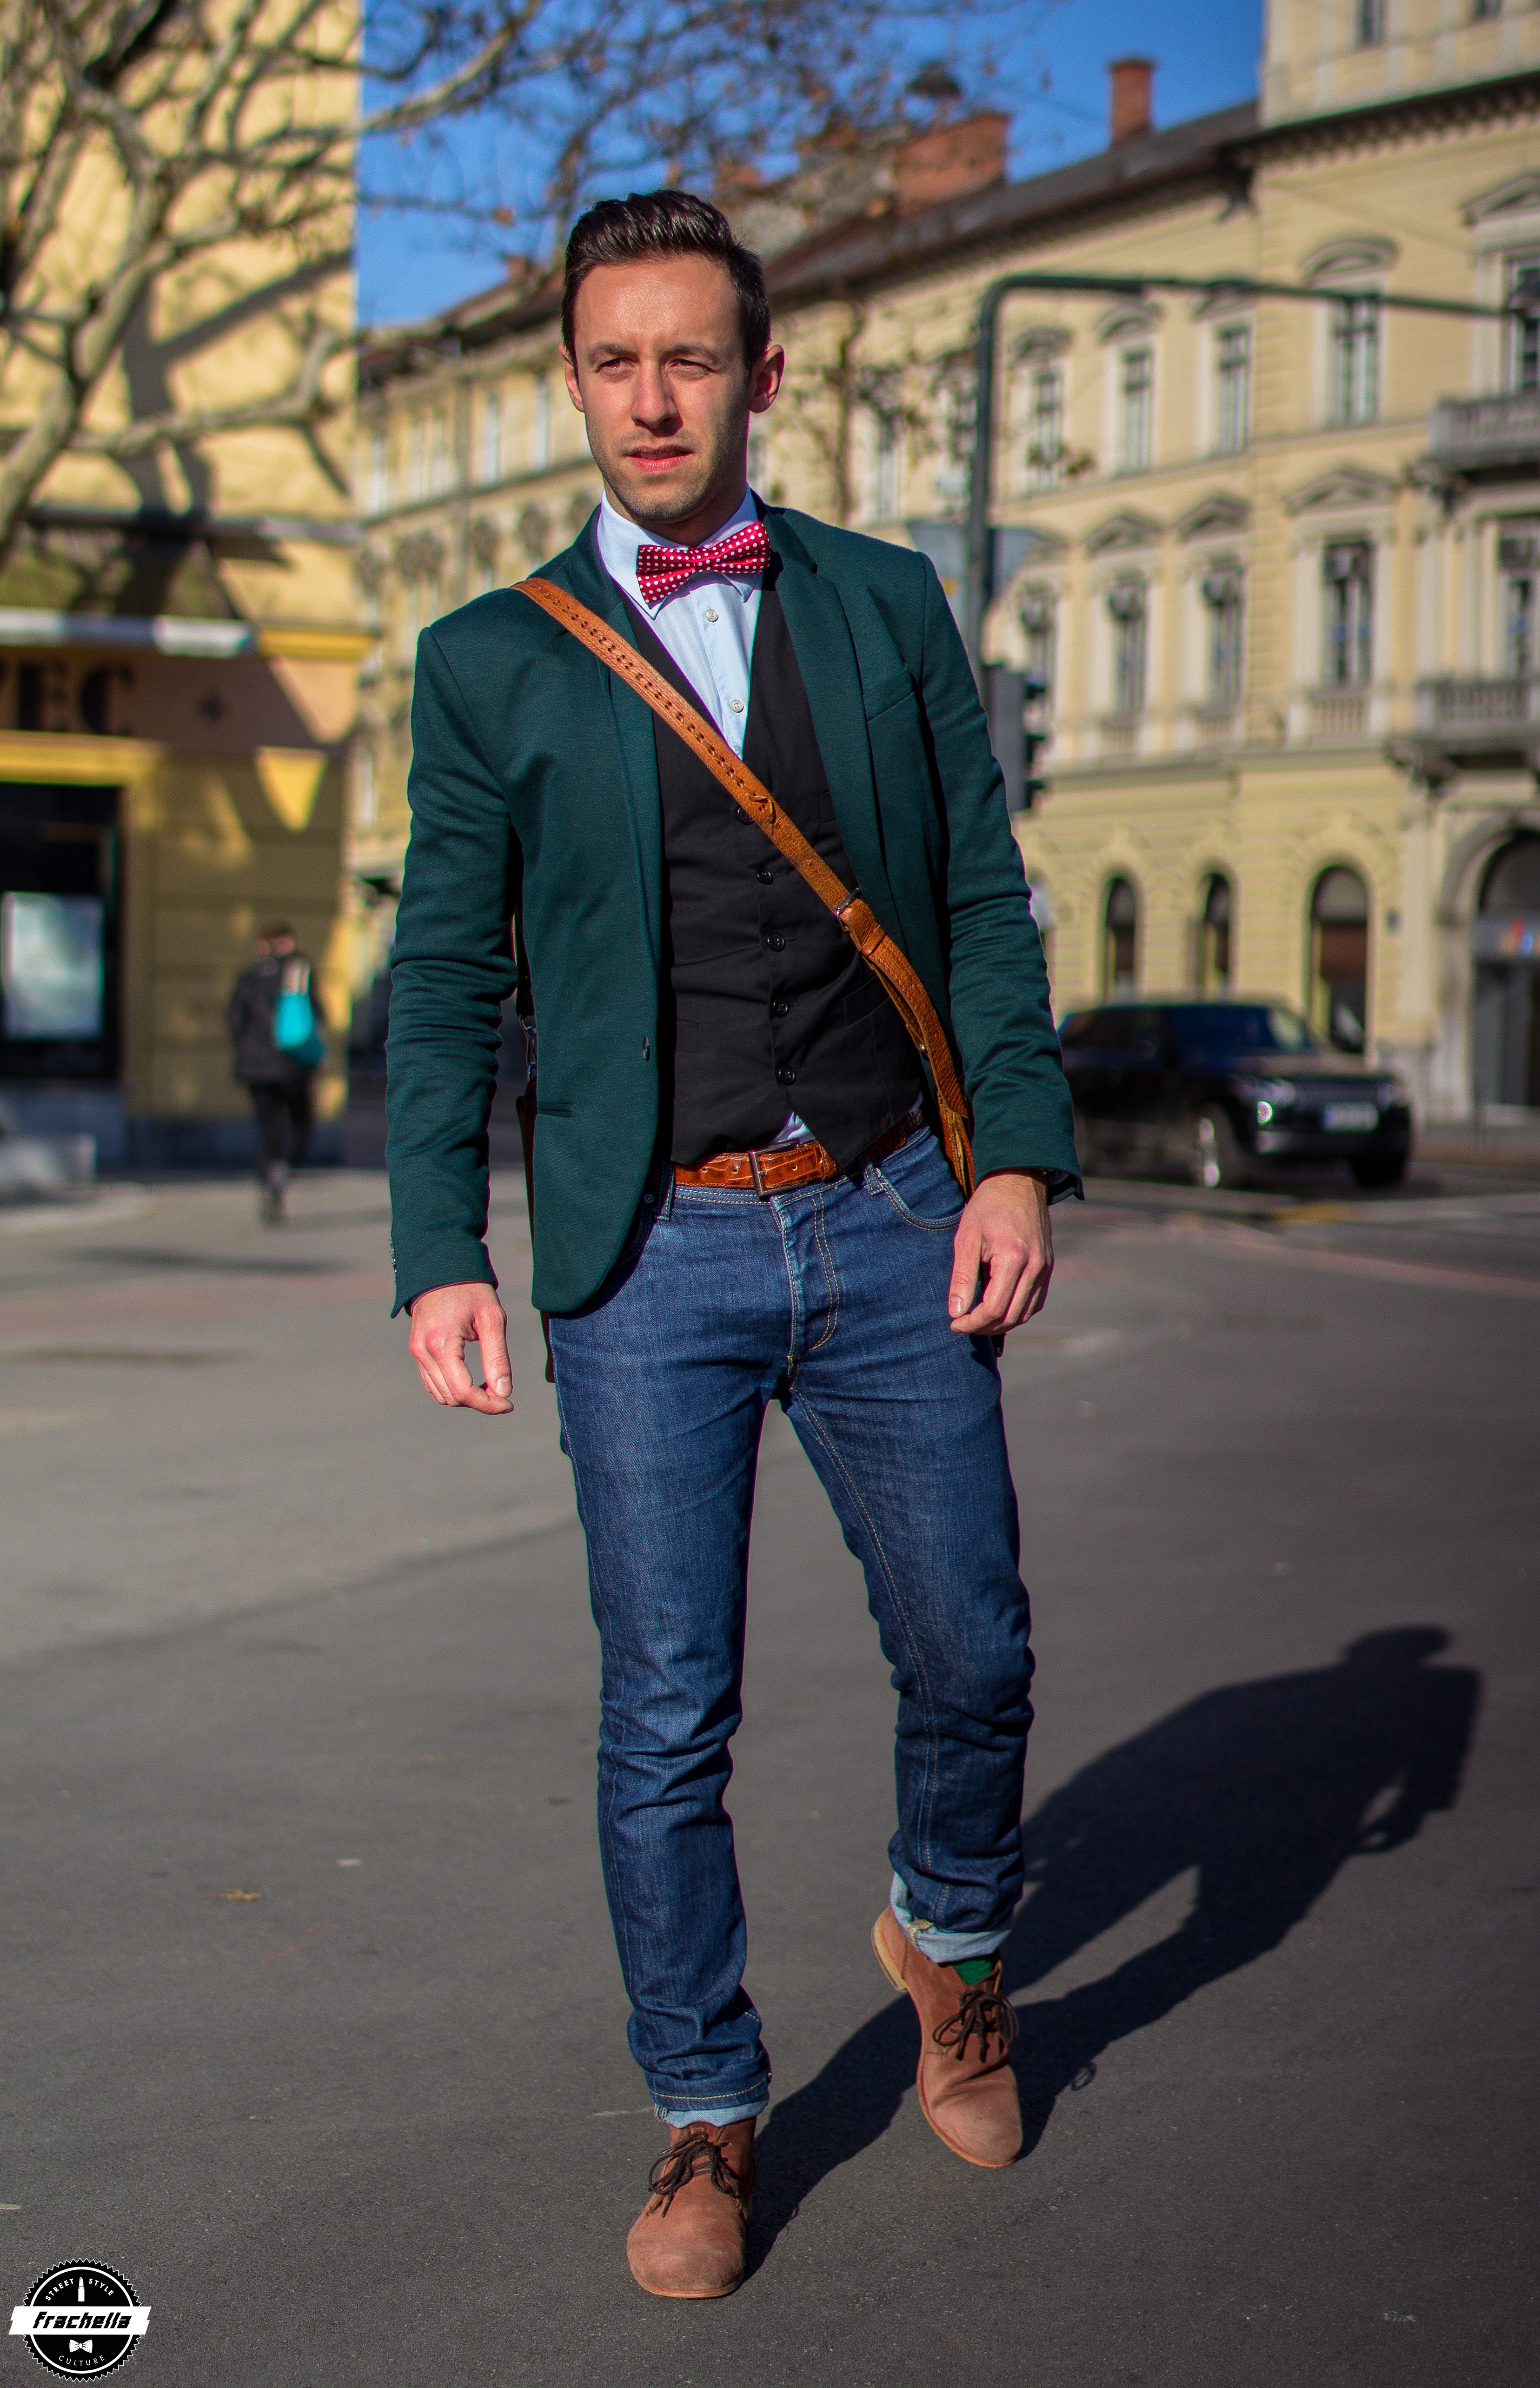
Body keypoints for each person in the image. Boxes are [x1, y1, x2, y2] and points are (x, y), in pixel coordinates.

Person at [386, 190, 1080, 2299]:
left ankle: (949, 1937)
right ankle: (706, 2103)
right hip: (645, 1241)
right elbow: (444, 970)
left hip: (885, 1202)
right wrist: (438, 1243)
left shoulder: (884, 602)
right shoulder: (488, 655)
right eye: (615, 361)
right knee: (668, 1703)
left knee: (973, 1643)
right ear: (573, 380)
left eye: (690, 356)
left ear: (759, 375)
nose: (653, 397)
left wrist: (1014, 1158)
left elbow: (979, 896)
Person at [228, 919, 323, 1223]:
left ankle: (267, 1180)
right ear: (288, 942)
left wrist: (248, 1051)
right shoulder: (298, 972)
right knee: (302, 1124)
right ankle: (283, 1173)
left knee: (267, 1129)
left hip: (255, 1067)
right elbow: (318, 1014)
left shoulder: (249, 976)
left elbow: (235, 1020)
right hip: (292, 1064)